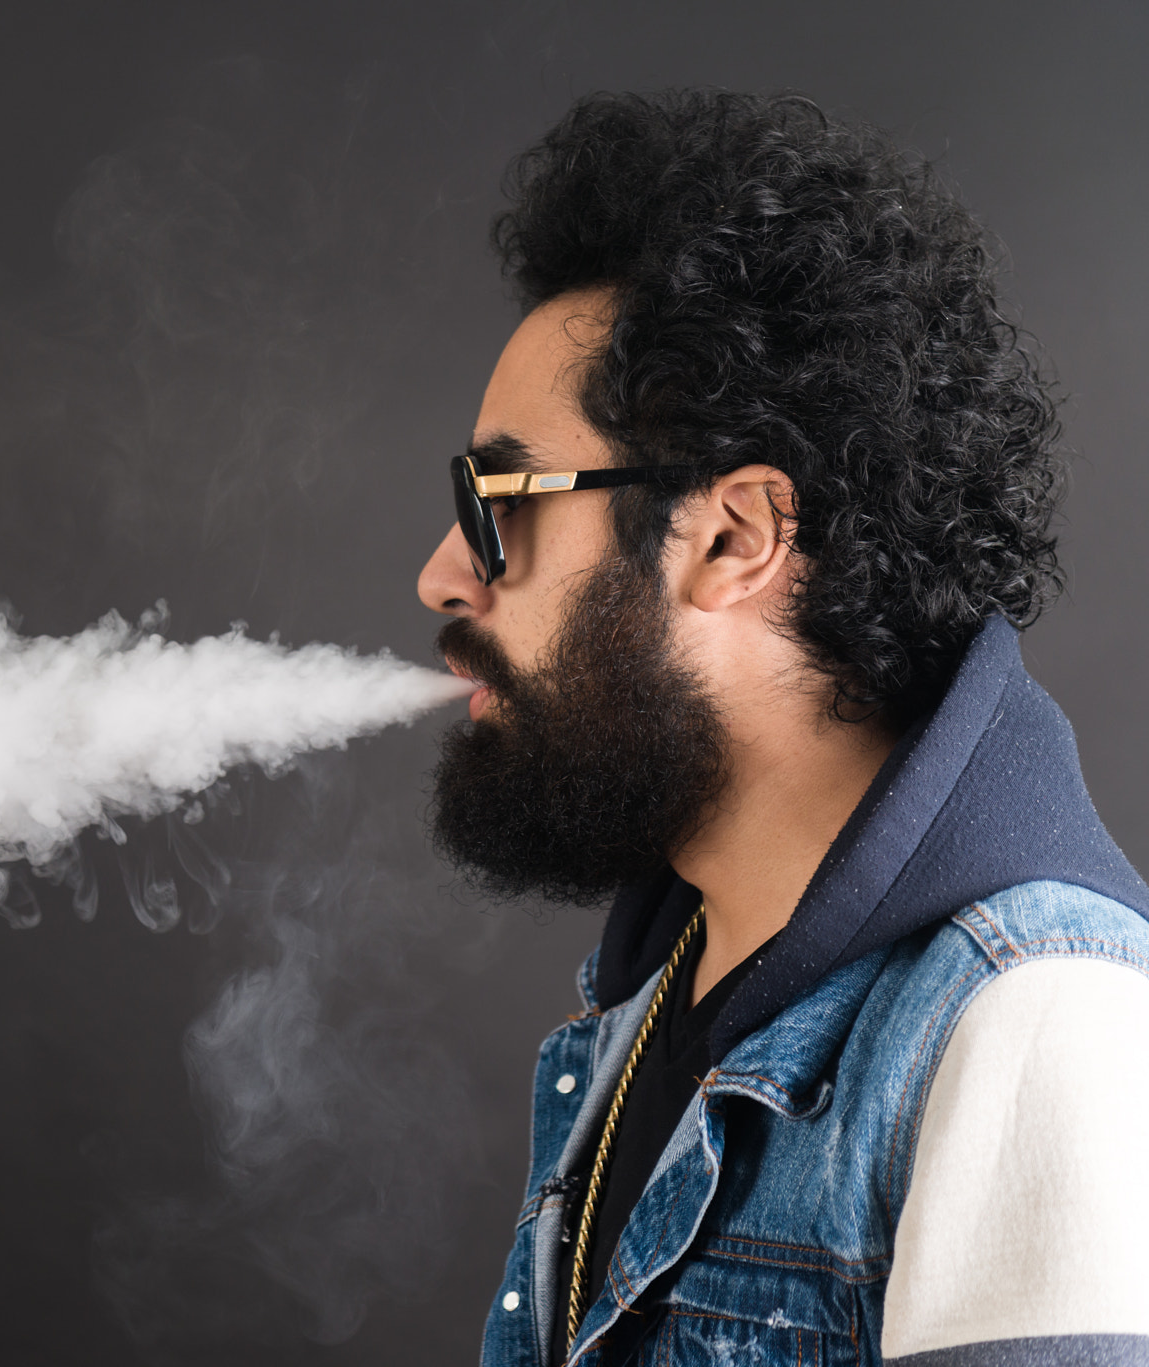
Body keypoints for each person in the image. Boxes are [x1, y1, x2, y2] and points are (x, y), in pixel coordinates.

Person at [419, 90, 1149, 1366]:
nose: (443, 571)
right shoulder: (661, 990)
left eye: (497, 498)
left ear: (734, 535)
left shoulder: (1038, 1030)